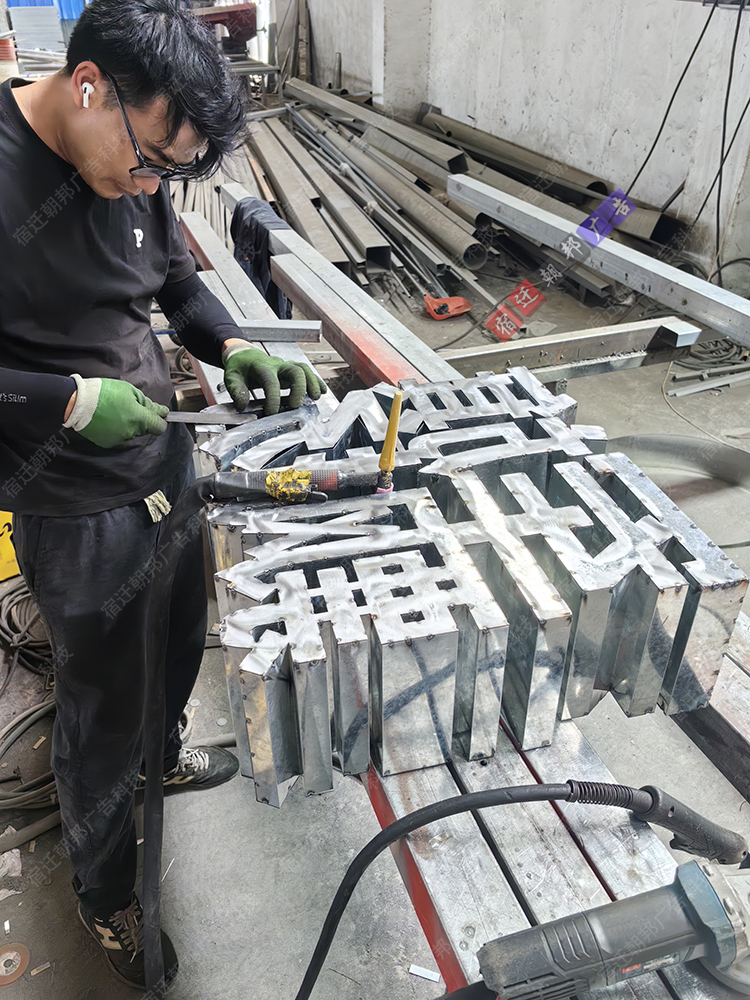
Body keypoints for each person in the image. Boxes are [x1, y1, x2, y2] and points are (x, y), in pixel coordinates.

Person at [0, 0, 326, 990]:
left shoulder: (137, 163)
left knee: (182, 638)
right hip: (69, 498)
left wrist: (231, 345)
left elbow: (176, 283)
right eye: (148, 162)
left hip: (160, 457)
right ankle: (106, 893)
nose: (149, 186)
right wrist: (64, 402)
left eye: (170, 174)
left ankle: (163, 753)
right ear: (89, 87)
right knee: (101, 705)